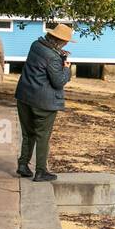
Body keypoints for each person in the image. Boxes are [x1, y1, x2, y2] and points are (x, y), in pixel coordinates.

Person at [14, 22, 74, 183]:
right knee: (42, 136)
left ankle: (23, 165)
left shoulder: (36, 45)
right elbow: (58, 82)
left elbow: (42, 65)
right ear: (63, 41)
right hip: (43, 102)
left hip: (25, 96)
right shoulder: (53, 57)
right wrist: (67, 68)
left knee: (28, 134)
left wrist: (60, 56)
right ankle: (41, 171)